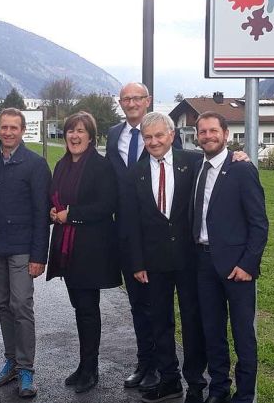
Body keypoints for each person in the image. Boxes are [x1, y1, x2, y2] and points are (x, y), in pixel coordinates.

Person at [124, 112, 208, 403]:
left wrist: (240, 157)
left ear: (172, 135)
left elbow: (222, 165)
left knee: (192, 321)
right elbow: (130, 221)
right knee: (159, 322)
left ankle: (196, 383)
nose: (154, 141)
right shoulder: (136, 173)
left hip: (189, 259)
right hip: (153, 262)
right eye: (148, 137)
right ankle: (169, 379)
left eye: (159, 135)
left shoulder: (194, 163)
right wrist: (136, 262)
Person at [0, 108, 51, 398]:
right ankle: (12, 362)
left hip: (21, 248)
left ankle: (26, 368)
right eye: (3, 127)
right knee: (3, 305)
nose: (7, 132)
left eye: (13, 128)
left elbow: (43, 214)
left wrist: (39, 255)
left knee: (21, 306)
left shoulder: (36, 164)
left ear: (22, 130)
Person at [106, 82, 180, 390]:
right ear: (120, 103)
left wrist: (237, 156)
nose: (132, 103)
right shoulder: (113, 135)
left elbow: (195, 160)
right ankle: (145, 362)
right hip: (127, 231)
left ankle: (165, 368)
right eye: (126, 99)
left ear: (147, 100)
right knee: (138, 304)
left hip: (160, 236)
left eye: (138, 97)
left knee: (159, 306)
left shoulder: (162, 131)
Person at [192, 112, 269, 403]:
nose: (208, 136)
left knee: (243, 337)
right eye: (203, 132)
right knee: (212, 333)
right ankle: (219, 389)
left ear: (225, 134)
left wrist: (248, 264)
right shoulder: (197, 166)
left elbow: (259, 223)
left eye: (213, 130)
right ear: (197, 136)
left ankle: (245, 396)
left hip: (237, 268)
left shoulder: (241, 168)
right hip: (203, 264)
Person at [46, 112, 122, 394]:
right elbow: (55, 198)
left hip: (91, 250)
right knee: (80, 309)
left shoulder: (101, 167)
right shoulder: (62, 165)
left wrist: (71, 215)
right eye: (70, 131)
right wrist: (53, 211)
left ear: (91, 136)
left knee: (89, 310)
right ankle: (83, 364)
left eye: (80, 131)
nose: (74, 136)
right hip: (68, 250)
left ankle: (91, 369)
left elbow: (106, 206)